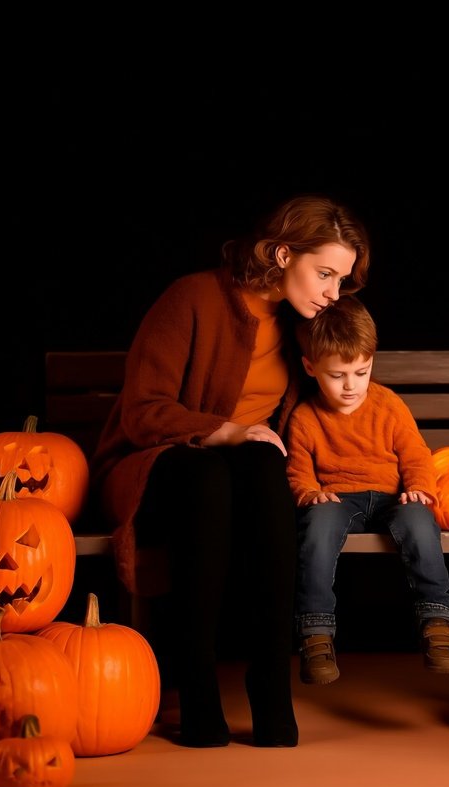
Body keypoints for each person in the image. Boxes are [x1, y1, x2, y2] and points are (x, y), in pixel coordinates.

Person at [89, 195, 371, 747]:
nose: (334, 292)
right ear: (284, 252)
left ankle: (271, 691)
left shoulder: (303, 325)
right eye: (326, 274)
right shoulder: (194, 297)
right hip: (156, 463)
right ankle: (196, 693)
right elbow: (143, 411)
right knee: (209, 477)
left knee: (267, 466)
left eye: (341, 279)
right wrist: (225, 430)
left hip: (241, 466)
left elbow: (339, 389)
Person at [285, 295, 449, 685]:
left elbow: (415, 454)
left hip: (391, 497)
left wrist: (418, 488)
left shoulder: (388, 405)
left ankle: (437, 623)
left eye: (361, 372)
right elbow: (297, 471)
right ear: (310, 367)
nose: (351, 386)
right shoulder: (304, 417)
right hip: (337, 498)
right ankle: (315, 634)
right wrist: (309, 493)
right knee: (315, 527)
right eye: (337, 376)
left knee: (420, 521)